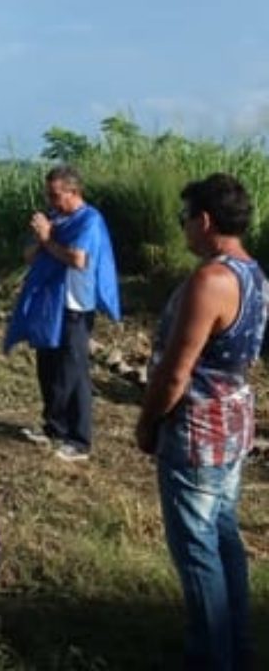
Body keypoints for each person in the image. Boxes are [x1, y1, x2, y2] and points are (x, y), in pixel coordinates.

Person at [135, 174, 265, 671]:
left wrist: (148, 423)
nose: (183, 228)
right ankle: (238, 645)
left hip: (199, 426)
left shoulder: (211, 280)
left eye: (184, 218)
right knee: (223, 533)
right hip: (233, 416)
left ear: (204, 220)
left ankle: (211, 654)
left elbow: (176, 371)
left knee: (196, 547)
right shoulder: (253, 272)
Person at [4, 166, 120, 462]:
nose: (52, 201)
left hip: (75, 305)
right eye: (49, 195)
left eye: (56, 195)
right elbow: (29, 256)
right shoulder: (54, 219)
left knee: (73, 371)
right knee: (48, 365)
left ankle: (79, 439)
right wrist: (39, 237)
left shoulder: (89, 221)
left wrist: (47, 240)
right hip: (49, 303)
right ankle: (53, 426)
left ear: (73, 192)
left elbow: (78, 259)